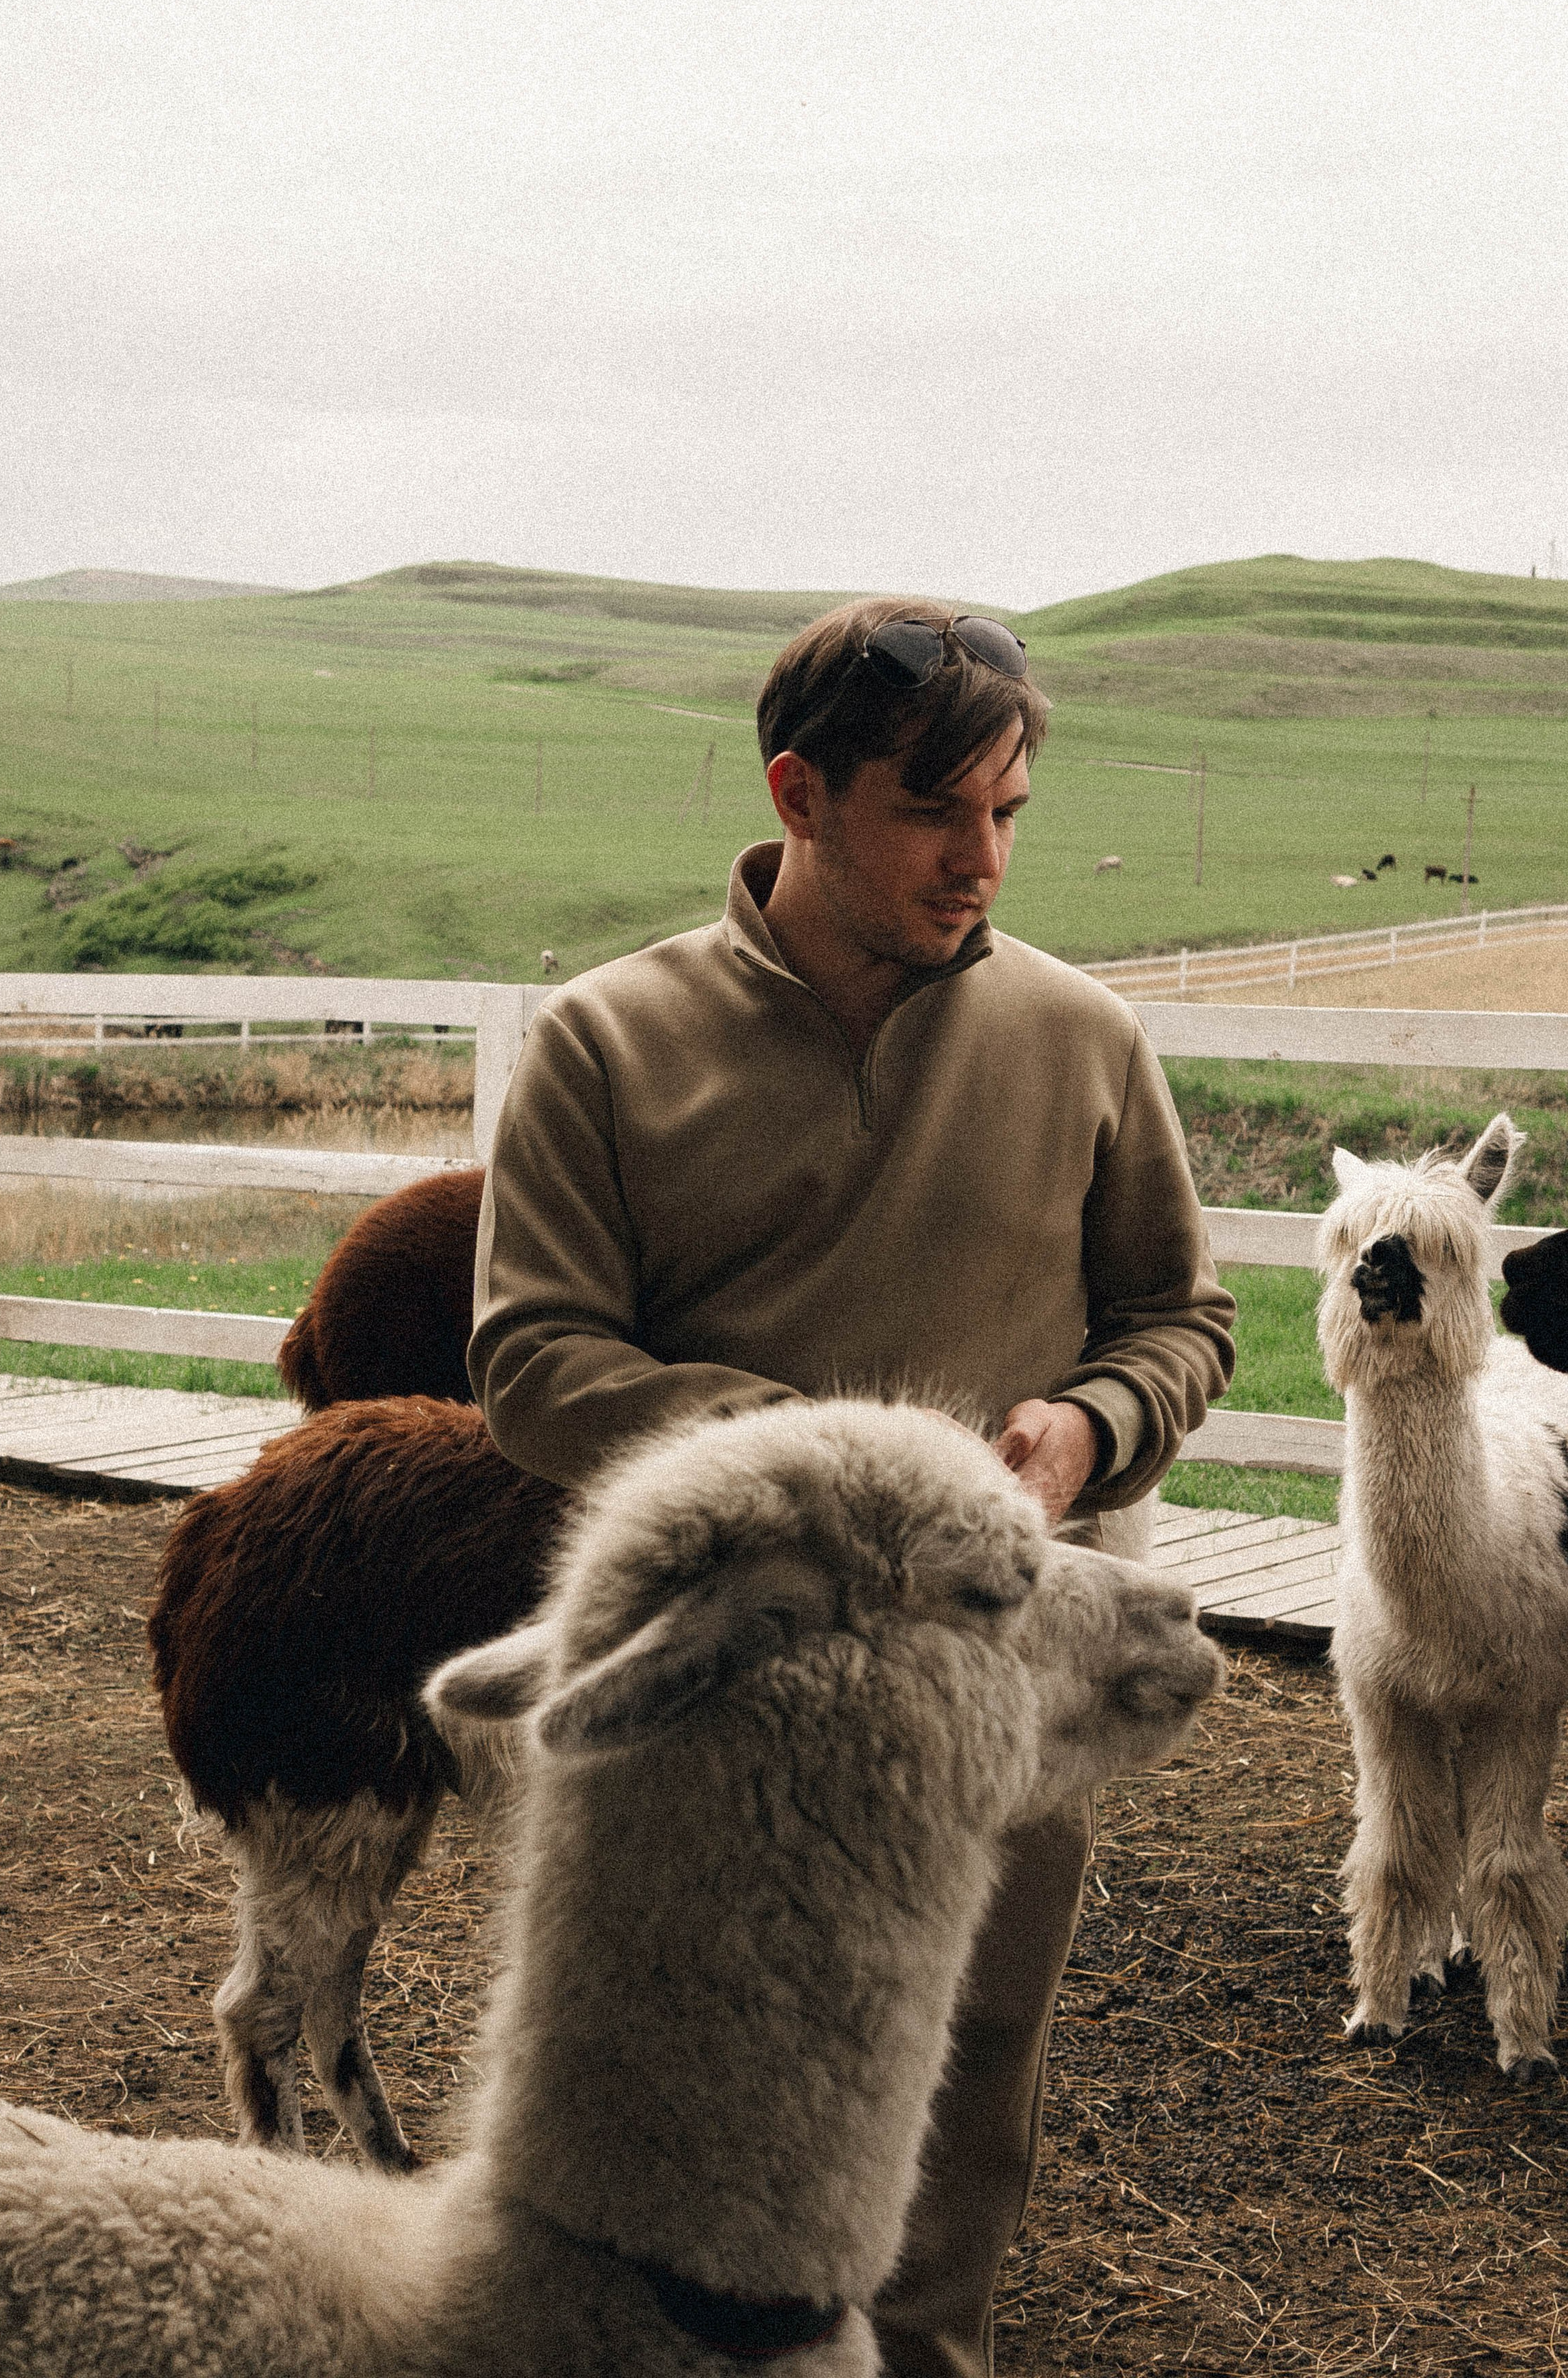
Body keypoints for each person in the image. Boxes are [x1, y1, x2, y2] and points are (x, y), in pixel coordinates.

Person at [469, 596, 1236, 2378]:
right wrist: (825, 1472)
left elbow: (1175, 1315)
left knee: (957, 2073)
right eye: (930, 810)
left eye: (1008, 814)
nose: (980, 860)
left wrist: (1087, 1430)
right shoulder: (602, 1043)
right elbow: (530, 1362)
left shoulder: (1082, 1038)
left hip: (996, 1661)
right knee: (674, 2061)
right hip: (717, 1679)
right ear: (797, 791)